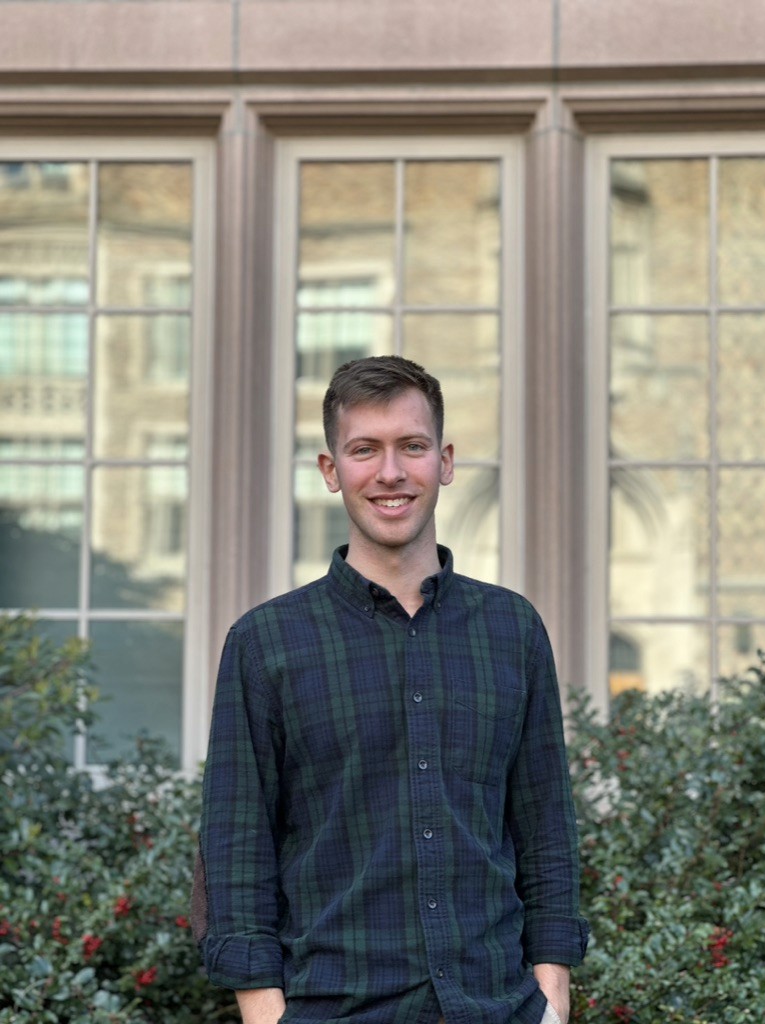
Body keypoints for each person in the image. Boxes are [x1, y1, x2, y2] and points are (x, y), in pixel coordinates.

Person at [192, 355, 588, 1024]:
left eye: (412, 446)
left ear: (445, 461)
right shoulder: (267, 643)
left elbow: (544, 822)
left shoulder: (511, 630)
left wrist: (551, 989)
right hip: (330, 1009)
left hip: (497, 1007)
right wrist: (265, 1011)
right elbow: (236, 845)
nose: (390, 472)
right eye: (363, 450)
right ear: (330, 470)